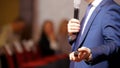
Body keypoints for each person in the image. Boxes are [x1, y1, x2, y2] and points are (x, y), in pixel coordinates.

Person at [68, 0, 120, 68]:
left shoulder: (110, 8)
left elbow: (115, 44)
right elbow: (80, 44)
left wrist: (91, 53)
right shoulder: (90, 8)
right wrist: (72, 35)